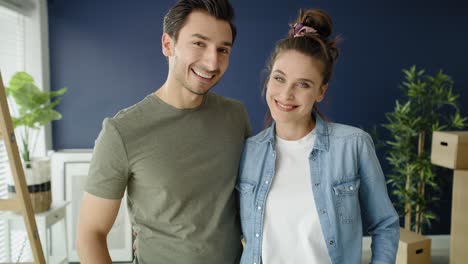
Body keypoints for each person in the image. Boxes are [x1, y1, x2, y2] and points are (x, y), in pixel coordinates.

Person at [76, 0, 250, 263]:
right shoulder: (121, 132)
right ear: (168, 45)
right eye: (199, 44)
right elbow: (90, 234)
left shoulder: (235, 116)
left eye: (222, 49)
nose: (213, 62)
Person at [237, 8, 400, 264]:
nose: (286, 94)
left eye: (303, 84)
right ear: (268, 80)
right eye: (279, 78)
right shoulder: (247, 152)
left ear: (321, 91)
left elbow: (385, 224)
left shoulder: (352, 145)